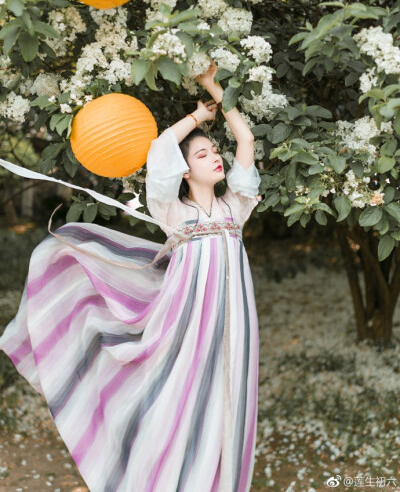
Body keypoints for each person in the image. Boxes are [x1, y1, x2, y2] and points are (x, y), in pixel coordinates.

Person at [0, 59, 262, 492]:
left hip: (235, 323)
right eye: (203, 154)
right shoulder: (174, 212)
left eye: (215, 151)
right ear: (184, 169)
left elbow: (246, 138)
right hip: (186, 324)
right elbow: (160, 149)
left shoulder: (236, 207)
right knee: (180, 397)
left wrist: (216, 88)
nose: (215, 157)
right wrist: (196, 117)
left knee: (230, 396)